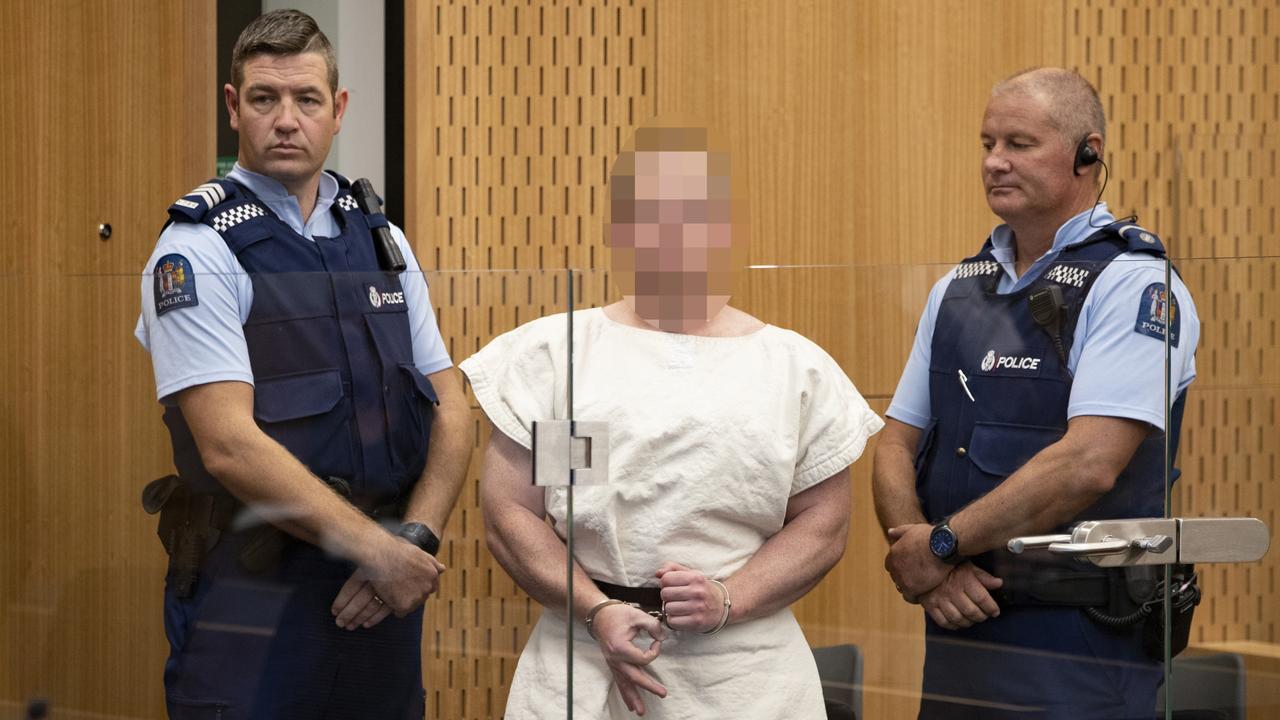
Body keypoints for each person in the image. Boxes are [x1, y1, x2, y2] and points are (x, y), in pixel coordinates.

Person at [461, 126, 884, 719]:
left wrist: (728, 600)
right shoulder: (564, 360)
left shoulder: (793, 370)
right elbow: (514, 514)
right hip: (582, 654)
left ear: (727, 231)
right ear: (618, 232)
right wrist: (596, 608)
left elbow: (823, 525)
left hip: (746, 677)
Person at [134, 9, 472, 718]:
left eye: (307, 99)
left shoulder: (380, 238)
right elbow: (227, 445)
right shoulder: (197, 248)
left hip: (382, 598)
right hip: (254, 599)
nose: (286, 119)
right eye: (264, 98)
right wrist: (376, 554)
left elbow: (451, 405)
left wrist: (413, 539)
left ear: (338, 109)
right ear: (234, 107)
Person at [872, 67, 1201, 719]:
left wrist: (941, 543)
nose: (995, 162)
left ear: (1089, 153)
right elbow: (895, 442)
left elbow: (1089, 463)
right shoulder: (958, 288)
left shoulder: (1134, 284)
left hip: (1079, 638)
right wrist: (925, 558)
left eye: (1019, 144)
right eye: (987, 143)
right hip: (958, 621)